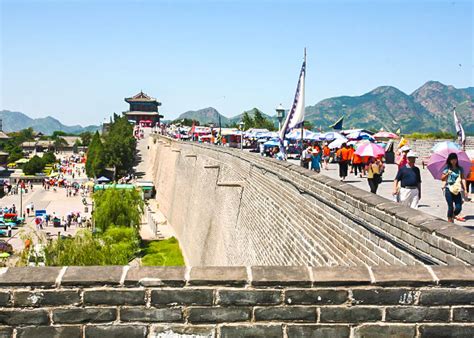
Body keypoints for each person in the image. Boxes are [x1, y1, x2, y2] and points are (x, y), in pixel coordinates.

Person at [441, 153, 468, 222]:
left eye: (455, 159)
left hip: (457, 189)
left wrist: (465, 189)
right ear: (449, 160)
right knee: (450, 206)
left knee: (459, 207)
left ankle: (453, 215)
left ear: (457, 160)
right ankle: (449, 220)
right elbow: (442, 178)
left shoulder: (460, 169)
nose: (453, 161)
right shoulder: (447, 168)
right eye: (452, 160)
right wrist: (447, 173)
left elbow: (463, 179)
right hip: (448, 189)